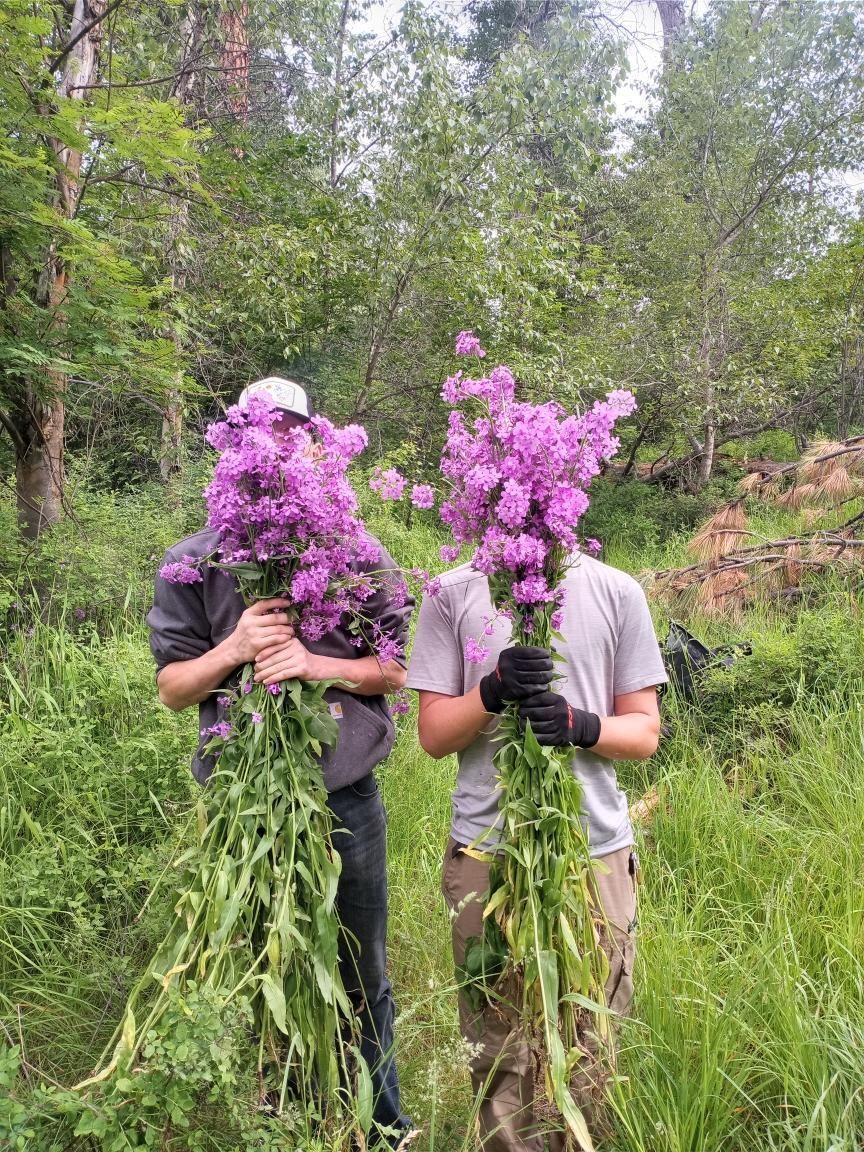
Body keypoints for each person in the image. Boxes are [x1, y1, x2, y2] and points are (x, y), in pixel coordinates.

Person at [146, 376, 415, 1148]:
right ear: (233, 447)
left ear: (313, 443)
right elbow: (172, 688)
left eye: (291, 429)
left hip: (343, 799)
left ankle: (384, 1124)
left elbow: (396, 670)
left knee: (362, 968)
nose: (275, 442)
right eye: (257, 430)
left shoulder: (356, 552)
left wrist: (311, 664)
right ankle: (292, 1120)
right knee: (268, 954)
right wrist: (235, 649)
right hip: (246, 800)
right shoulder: (192, 562)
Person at [405, 550, 667, 1151]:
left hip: (593, 853)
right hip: (486, 854)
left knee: (589, 1035)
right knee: (500, 1047)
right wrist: (491, 689)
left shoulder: (616, 589)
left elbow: (645, 731)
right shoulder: (452, 590)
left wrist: (582, 725)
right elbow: (433, 734)